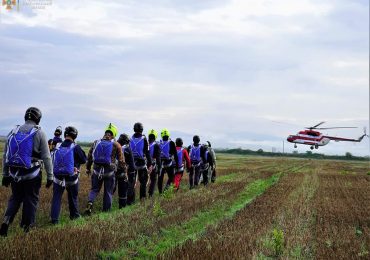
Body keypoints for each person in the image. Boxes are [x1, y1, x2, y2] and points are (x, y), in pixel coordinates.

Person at [0, 107, 53, 236]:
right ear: (38, 119)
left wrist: (5, 174)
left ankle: (6, 221)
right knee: (31, 200)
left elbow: (6, 155)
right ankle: (27, 229)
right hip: (32, 174)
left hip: (14, 174)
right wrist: (50, 176)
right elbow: (46, 156)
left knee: (15, 198)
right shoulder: (39, 133)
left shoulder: (14, 131)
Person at [84, 123, 126, 215]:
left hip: (96, 170)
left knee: (94, 189)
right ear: (114, 134)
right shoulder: (116, 144)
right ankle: (106, 212)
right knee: (108, 192)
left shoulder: (96, 142)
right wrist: (125, 172)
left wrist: (88, 168)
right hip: (109, 172)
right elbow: (122, 161)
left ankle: (90, 202)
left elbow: (90, 156)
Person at [50, 126, 87, 224]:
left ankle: (54, 220)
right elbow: (84, 159)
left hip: (58, 177)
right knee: (73, 197)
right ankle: (74, 215)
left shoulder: (58, 146)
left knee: (56, 198)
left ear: (65, 134)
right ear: (75, 136)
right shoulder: (75, 146)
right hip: (72, 177)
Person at [130, 122, 152, 201]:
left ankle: (130, 201)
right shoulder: (144, 139)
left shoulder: (130, 138)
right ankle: (142, 199)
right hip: (142, 164)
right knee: (143, 182)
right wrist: (150, 164)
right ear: (142, 130)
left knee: (132, 182)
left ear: (134, 129)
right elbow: (147, 152)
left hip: (132, 163)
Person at [116, 133, 135, 208]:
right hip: (123, 173)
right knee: (123, 191)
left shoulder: (114, 146)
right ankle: (122, 207)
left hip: (112, 172)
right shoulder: (127, 149)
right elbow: (132, 164)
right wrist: (132, 175)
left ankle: (107, 208)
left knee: (110, 191)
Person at [158, 129, 178, 193]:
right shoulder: (171, 143)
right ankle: (166, 190)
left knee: (160, 179)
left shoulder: (159, 143)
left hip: (161, 163)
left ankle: (160, 192)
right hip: (169, 163)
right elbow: (175, 154)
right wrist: (177, 164)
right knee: (171, 177)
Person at [147, 129, 161, 197]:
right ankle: (150, 194)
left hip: (144, 163)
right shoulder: (156, 145)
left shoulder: (145, 143)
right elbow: (158, 158)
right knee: (153, 179)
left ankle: (142, 197)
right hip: (152, 165)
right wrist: (160, 167)